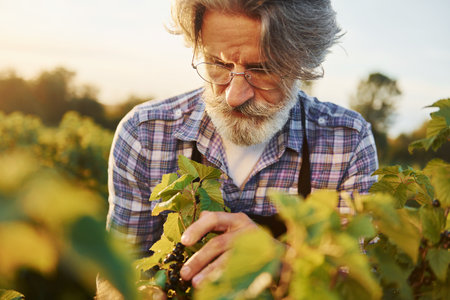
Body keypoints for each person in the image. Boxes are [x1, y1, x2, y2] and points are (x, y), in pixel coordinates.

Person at [106, 0, 378, 289]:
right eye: (218, 64)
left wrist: (279, 259)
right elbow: (114, 272)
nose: (234, 96)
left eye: (261, 69)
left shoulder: (347, 141)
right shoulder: (145, 134)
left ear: (302, 62)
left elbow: (361, 286)